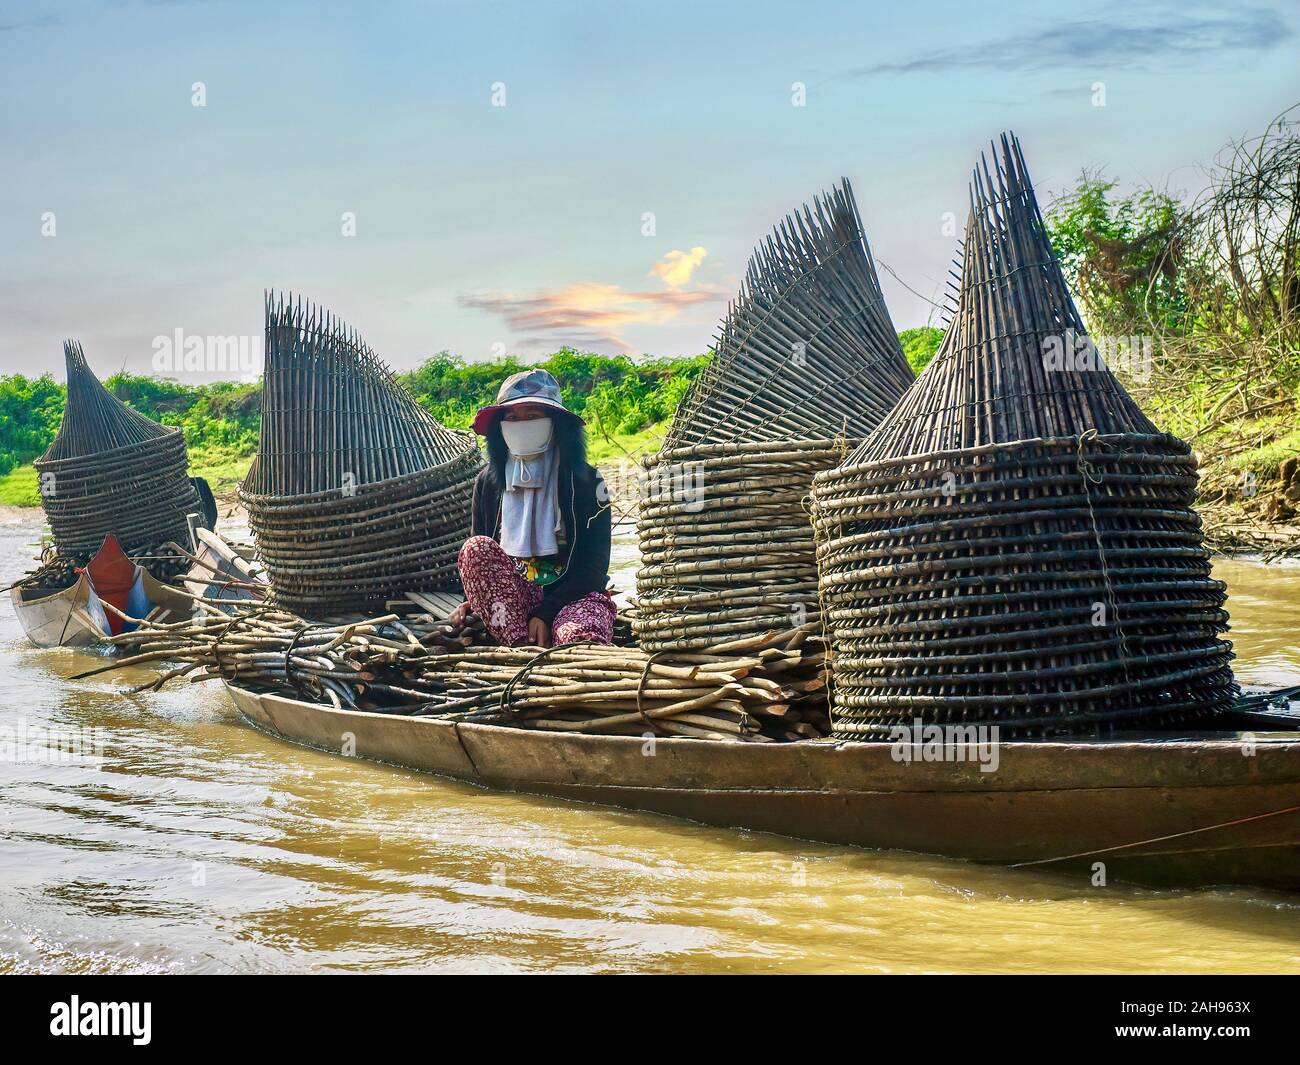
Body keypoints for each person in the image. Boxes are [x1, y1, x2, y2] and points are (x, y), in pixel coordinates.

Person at [448, 368, 615, 647]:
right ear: (500, 427)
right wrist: (473, 600)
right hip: (514, 601)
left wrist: (545, 614)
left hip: (573, 598)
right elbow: (486, 559)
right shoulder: (488, 483)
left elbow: (594, 567)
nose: (521, 424)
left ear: (555, 423)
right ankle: (520, 646)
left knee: (577, 639)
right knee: (475, 547)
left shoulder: (586, 480)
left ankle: (557, 641)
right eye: (512, 418)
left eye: (532, 416)